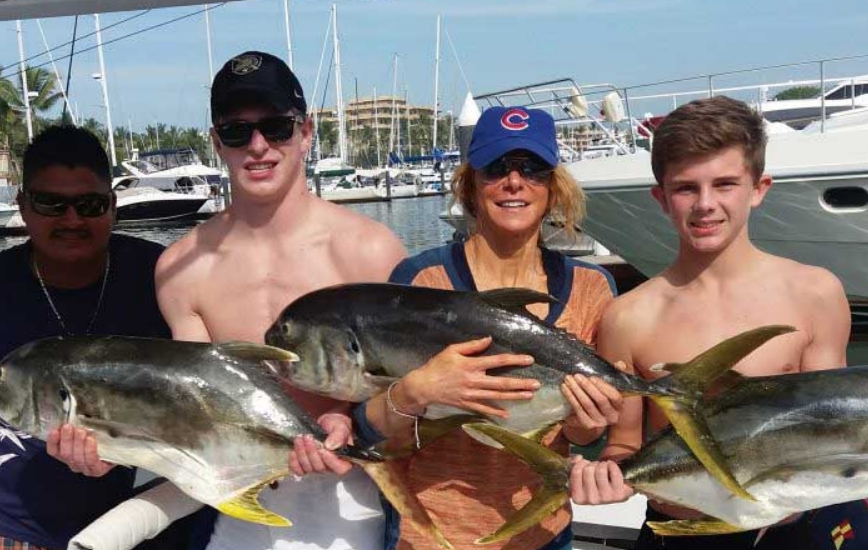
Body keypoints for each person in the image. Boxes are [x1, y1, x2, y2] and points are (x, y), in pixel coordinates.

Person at [51, 51, 408, 550]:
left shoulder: (370, 249)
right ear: (217, 142)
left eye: (276, 128)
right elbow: (192, 407)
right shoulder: (182, 266)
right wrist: (111, 447)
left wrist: (350, 417)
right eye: (237, 132)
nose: (258, 146)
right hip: (235, 505)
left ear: (305, 132)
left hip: (355, 498)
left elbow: (415, 385)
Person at [330, 106, 624, 550]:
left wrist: (588, 425)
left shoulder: (591, 287)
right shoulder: (422, 280)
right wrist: (416, 392)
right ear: (470, 184)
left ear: (554, 186)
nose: (514, 181)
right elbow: (369, 428)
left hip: (544, 535)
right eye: (496, 167)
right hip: (430, 537)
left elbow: (584, 438)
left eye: (532, 168)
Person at [568, 96, 851, 549]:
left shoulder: (815, 294)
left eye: (725, 184)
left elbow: (834, 431)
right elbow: (624, 443)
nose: (705, 204)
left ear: (758, 188)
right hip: (676, 534)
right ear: (661, 198)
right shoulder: (628, 316)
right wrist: (607, 477)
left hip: (790, 533)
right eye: (686, 188)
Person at [0, 125, 172, 549]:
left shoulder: (164, 275)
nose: (72, 220)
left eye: (89, 205)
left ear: (112, 205)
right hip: (16, 529)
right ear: (23, 206)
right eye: (51, 204)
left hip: (137, 521)